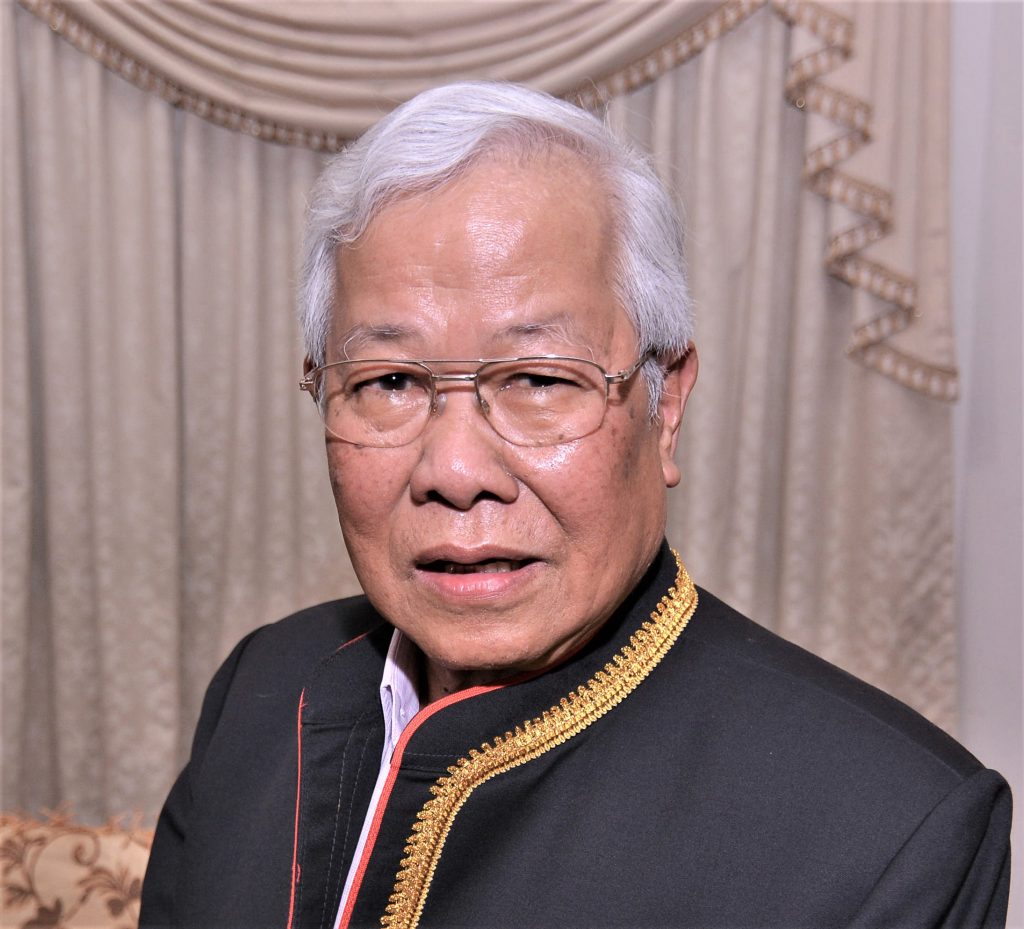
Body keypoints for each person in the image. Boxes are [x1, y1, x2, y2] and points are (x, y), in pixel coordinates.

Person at [140, 82, 1011, 929]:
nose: (454, 470)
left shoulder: (889, 828)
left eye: (539, 379)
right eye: (391, 380)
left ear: (666, 405)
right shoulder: (264, 689)